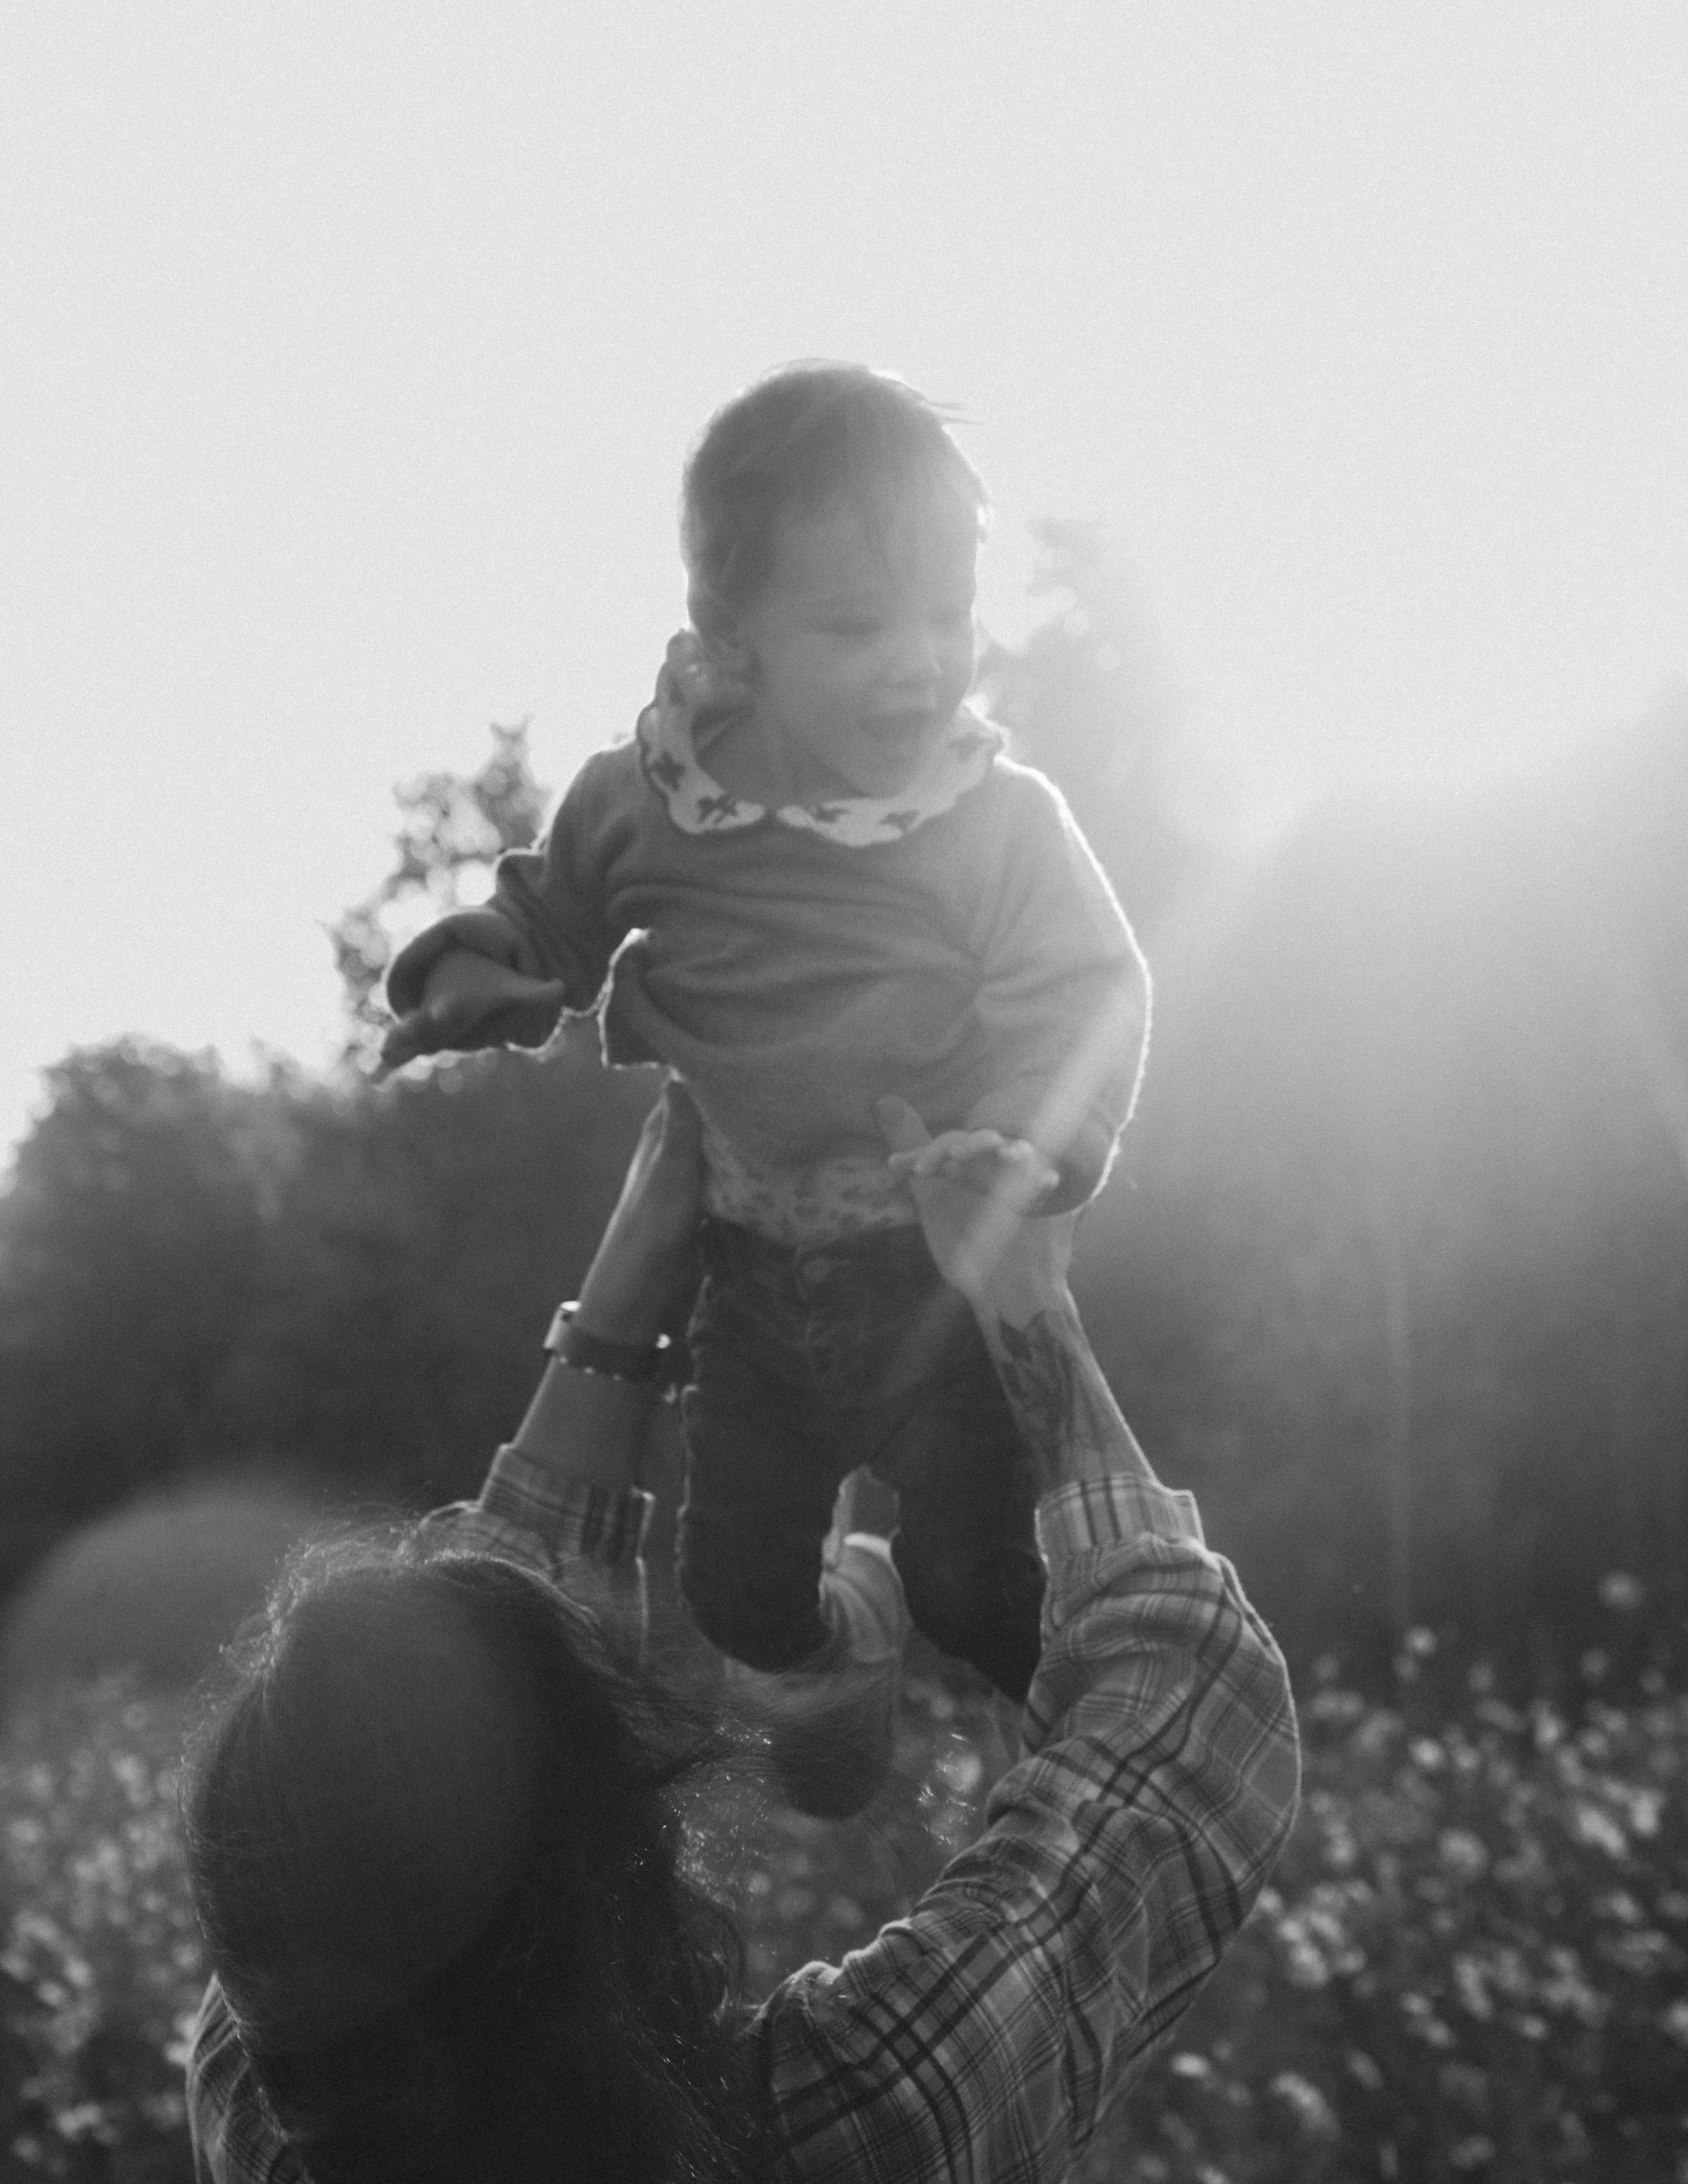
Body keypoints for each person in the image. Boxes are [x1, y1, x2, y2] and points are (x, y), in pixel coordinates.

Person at [183, 1078, 1298, 2184]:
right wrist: (1025, 1318)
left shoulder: (269, 2131)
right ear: (624, 1853)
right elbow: (1194, 1710)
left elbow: (432, 1778)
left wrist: (627, 1297)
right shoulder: (851, 2144)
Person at [375, 363, 1152, 1814]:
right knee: (733, 1593)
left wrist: (1032, 1146)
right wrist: (483, 976)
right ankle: (844, 1642)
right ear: (733, 639)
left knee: (981, 1585)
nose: (917, 664)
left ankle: (1083, 1798)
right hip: (742, 1280)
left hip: (922, 1267)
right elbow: (553, 914)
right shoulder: (654, 794)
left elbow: (1085, 988)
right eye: (857, 626)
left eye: (945, 616)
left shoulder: (988, 821)